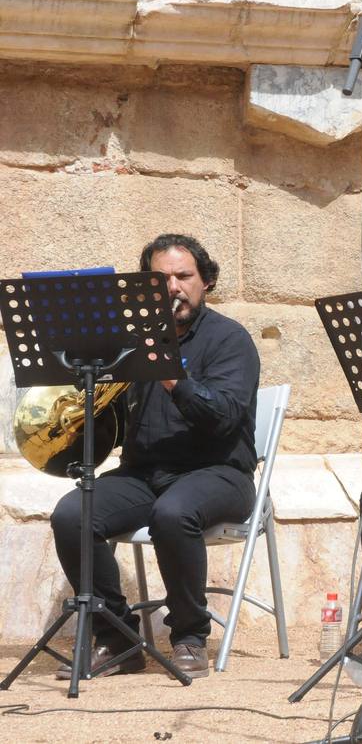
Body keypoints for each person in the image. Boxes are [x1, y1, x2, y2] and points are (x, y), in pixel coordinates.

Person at [49, 234, 261, 679]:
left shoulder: (230, 340)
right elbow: (116, 428)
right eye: (159, 279)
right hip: (143, 473)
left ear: (205, 282)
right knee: (72, 514)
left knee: (173, 512)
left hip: (219, 472)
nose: (172, 287)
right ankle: (117, 637)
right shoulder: (127, 344)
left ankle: (189, 635)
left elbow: (223, 418)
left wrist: (170, 375)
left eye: (184, 276)